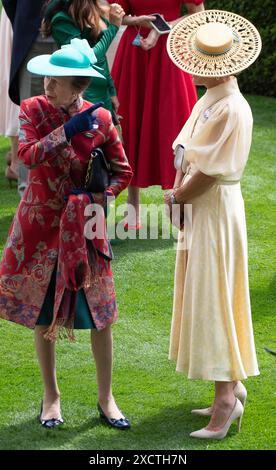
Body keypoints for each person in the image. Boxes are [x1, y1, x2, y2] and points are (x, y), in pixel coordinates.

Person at [0, 39, 133, 429]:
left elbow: (123, 171)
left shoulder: (102, 119)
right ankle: (51, 396)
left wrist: (96, 196)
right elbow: (27, 156)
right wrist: (66, 131)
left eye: (56, 81)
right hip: (39, 229)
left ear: (77, 87)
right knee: (44, 312)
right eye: (47, 77)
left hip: (86, 230)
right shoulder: (32, 110)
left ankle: (106, 398)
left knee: (101, 316)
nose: (47, 85)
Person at [165, 10, 262, 439]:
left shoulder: (232, 108)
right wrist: (176, 190)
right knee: (206, 293)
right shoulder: (210, 97)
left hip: (216, 207)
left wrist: (178, 196)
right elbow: (187, 151)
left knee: (216, 295)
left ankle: (226, 401)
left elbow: (211, 171)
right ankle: (229, 386)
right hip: (201, 206)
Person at [108, 0, 205, 229]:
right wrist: (137, 20)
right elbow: (118, 16)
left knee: (176, 125)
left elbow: (199, 15)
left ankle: (180, 206)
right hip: (134, 53)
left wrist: (163, 28)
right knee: (130, 124)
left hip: (172, 54)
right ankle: (133, 212)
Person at [2, 0, 57, 198]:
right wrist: (25, 22)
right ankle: (28, 194)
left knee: (66, 117)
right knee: (32, 120)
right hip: (33, 40)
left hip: (68, 35)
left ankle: (58, 191)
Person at [41, 0, 125, 116]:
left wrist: (111, 90)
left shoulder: (93, 7)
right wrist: (113, 28)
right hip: (84, 90)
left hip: (103, 89)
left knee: (107, 131)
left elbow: (102, 59)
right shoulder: (62, 19)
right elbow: (86, 58)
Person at [0, 7, 19, 186]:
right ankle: (16, 161)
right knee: (16, 81)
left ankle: (15, 156)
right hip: (20, 16)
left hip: (17, 14)